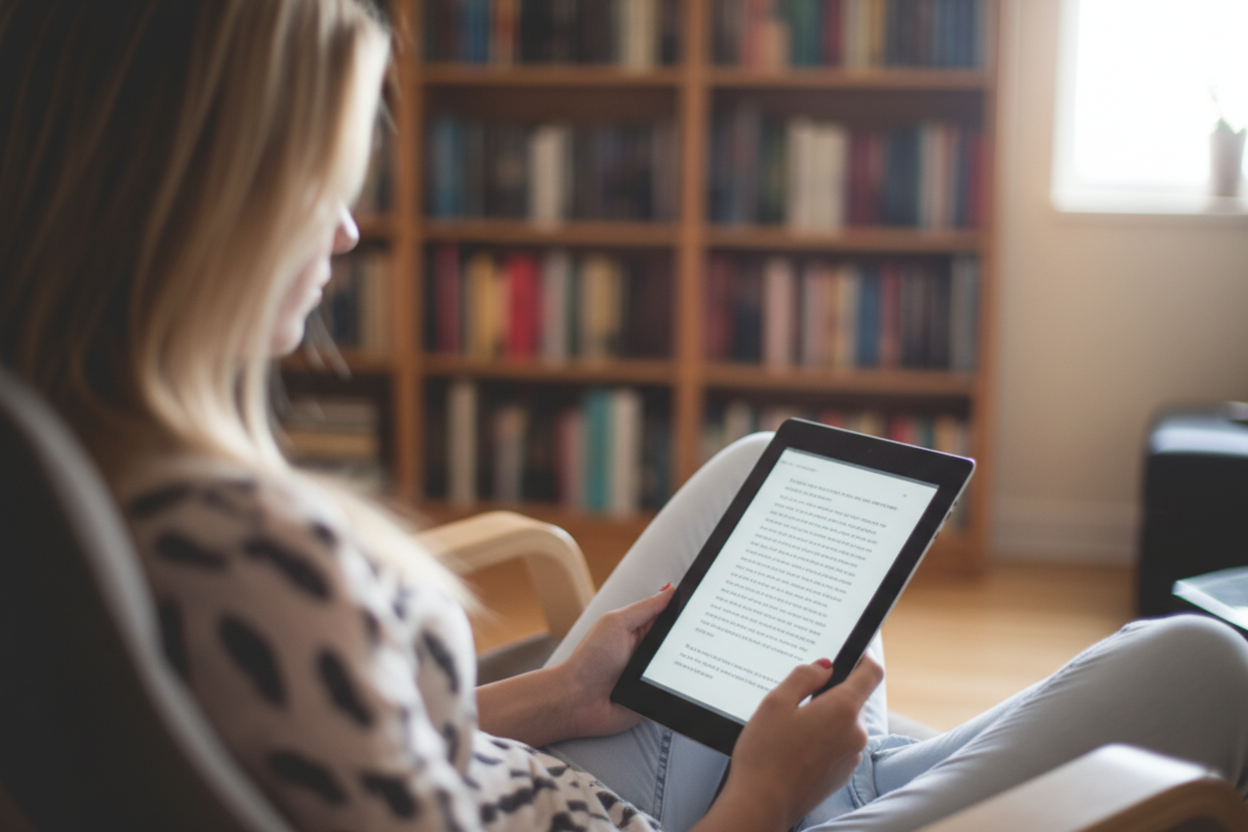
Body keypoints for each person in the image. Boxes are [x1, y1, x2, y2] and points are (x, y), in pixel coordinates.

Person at [1, 3, 1246, 832]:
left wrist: (556, 692)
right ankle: (840, 777)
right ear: (189, 203)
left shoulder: (71, 474)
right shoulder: (259, 574)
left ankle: (850, 765)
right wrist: (758, 796)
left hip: (557, 768)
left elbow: (346, 747)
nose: (348, 231)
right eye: (318, 181)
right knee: (1203, 664)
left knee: (761, 472)